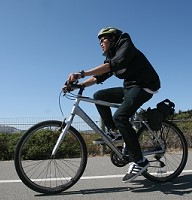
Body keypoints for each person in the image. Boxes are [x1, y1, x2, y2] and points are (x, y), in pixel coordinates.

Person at [63, 27, 160, 182]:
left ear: (113, 38)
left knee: (120, 116)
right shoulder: (112, 55)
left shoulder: (125, 45)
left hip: (145, 85)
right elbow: (98, 77)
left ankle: (140, 161)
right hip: (130, 87)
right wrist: (77, 85)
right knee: (99, 95)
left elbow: (111, 65)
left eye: (103, 39)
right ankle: (116, 133)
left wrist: (80, 74)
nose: (101, 43)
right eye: (99, 41)